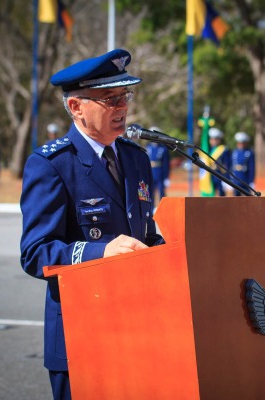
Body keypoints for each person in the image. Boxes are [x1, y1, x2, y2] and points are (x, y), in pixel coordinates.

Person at [19, 48, 164, 400]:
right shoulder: (52, 164)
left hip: (136, 328)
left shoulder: (136, 158)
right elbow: (36, 253)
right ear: (76, 107)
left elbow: (145, 234)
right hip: (81, 333)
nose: (122, 107)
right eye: (109, 99)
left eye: (124, 96)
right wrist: (101, 252)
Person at [146, 126, 170, 206]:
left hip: (160, 173)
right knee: (150, 193)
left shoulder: (163, 148)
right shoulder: (148, 147)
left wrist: (166, 177)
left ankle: (163, 209)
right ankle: (151, 210)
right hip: (150, 173)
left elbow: (166, 164)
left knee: (162, 192)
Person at [207, 127, 231, 196]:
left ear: (219, 140)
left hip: (220, 174)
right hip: (210, 174)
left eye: (216, 139)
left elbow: (227, 164)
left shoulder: (223, 150)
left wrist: (227, 178)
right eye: (212, 139)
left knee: (221, 194)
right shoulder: (207, 149)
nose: (213, 141)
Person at [231, 132, 255, 196]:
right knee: (235, 199)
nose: (241, 145)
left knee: (247, 198)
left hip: (245, 180)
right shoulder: (235, 152)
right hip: (236, 179)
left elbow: (251, 168)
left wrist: (251, 181)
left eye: (243, 143)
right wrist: (231, 178)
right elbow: (231, 166)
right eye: (239, 143)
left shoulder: (249, 153)